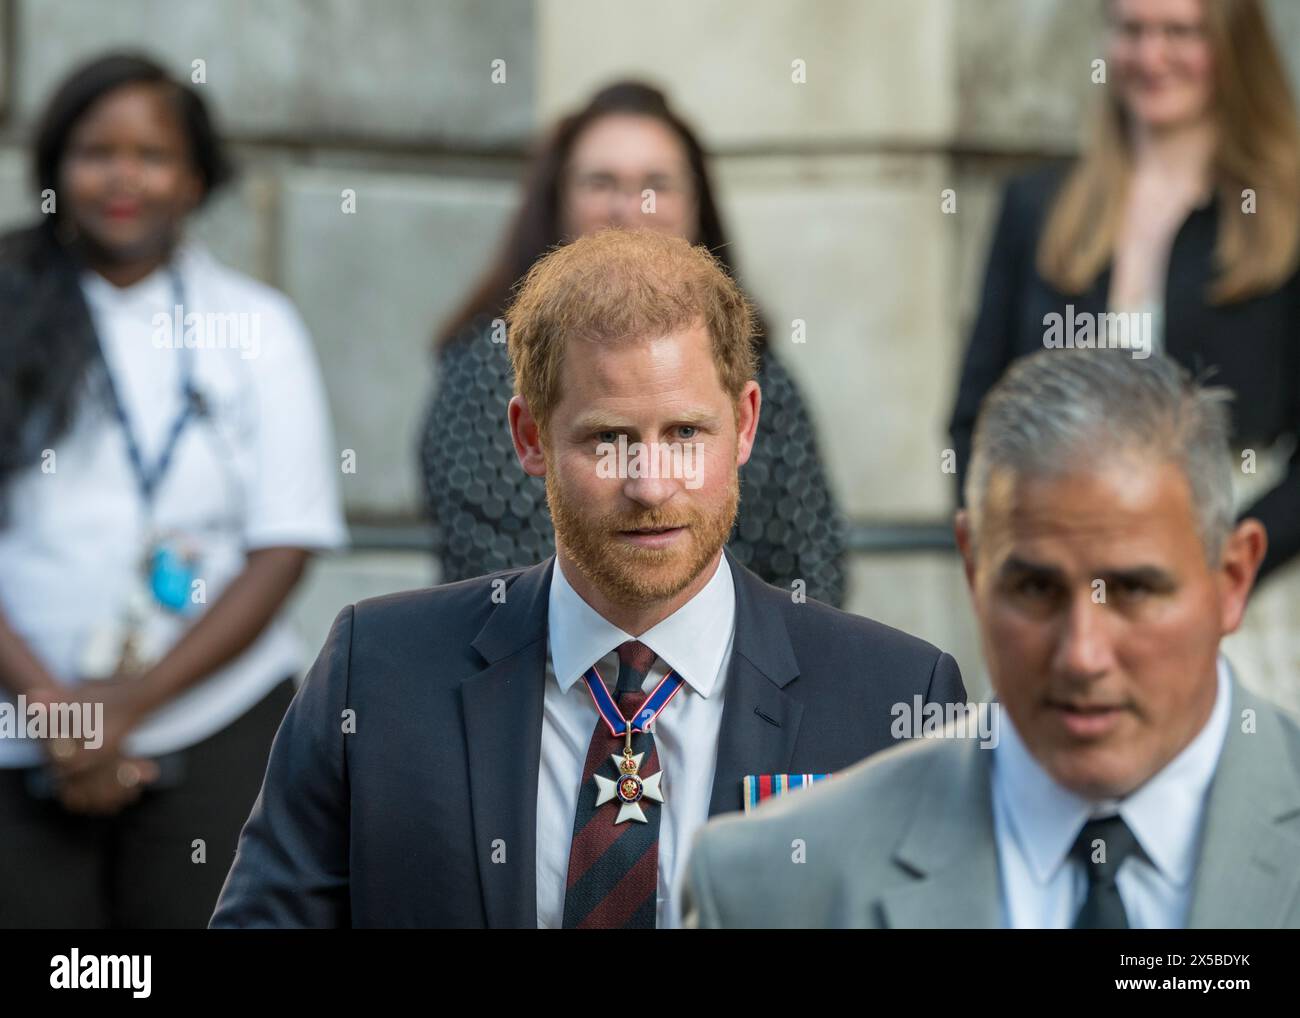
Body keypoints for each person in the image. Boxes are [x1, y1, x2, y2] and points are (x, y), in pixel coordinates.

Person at [211, 229, 965, 929]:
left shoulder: (895, 702)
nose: (650, 484)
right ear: (530, 437)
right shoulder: (376, 675)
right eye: (609, 438)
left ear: (746, 424)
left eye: (685, 434)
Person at [685, 349, 1300, 929]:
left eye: (1135, 591)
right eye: (1035, 589)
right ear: (974, 568)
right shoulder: (773, 885)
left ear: (1233, 580)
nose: (1082, 654)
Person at [0, 53, 346, 928]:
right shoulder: (7, 308)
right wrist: (55, 706)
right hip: (18, 726)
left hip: (215, 721)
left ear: (194, 177)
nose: (123, 177)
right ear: (54, 169)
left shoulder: (257, 327)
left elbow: (285, 543)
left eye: (150, 155)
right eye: (94, 152)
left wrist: (126, 706)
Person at [947, 0, 1300, 717]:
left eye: (1181, 32)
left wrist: (1219, 559)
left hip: (1246, 579)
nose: (1152, 54)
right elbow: (975, 416)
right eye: (1133, 30)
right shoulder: (1038, 205)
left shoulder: (1286, 209)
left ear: (1232, 47)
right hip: (1061, 570)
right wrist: (1011, 554)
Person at [420, 80, 847, 606]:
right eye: (601, 183)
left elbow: (814, 563)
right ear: (558, 201)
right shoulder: (487, 369)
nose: (631, 207)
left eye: (657, 184)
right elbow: (495, 574)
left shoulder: (757, 365)